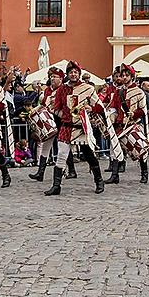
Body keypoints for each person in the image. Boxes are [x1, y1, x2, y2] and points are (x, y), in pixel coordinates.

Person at [45, 61, 106, 196]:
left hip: (81, 127)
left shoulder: (88, 89)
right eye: (71, 72)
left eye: (76, 72)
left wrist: (91, 108)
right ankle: (56, 186)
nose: (73, 74)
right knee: (61, 156)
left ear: (79, 74)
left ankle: (99, 181)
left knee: (89, 156)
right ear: (68, 74)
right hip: (66, 127)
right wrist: (64, 115)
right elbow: (56, 108)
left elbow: (101, 107)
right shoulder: (62, 89)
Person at [103, 64, 149, 185]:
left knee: (140, 150)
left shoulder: (139, 92)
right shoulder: (118, 92)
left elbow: (143, 111)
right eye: (122, 75)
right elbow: (113, 108)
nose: (124, 77)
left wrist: (134, 113)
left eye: (126, 75)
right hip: (119, 125)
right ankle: (115, 175)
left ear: (132, 76)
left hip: (134, 124)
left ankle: (144, 173)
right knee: (114, 150)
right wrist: (110, 118)